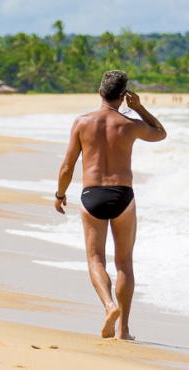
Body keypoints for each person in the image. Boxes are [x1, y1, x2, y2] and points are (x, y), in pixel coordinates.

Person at [54, 70, 167, 339]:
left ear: (99, 92)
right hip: (122, 195)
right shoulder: (129, 124)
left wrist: (59, 195)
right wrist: (139, 108)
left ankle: (108, 306)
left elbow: (68, 165)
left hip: (92, 195)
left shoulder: (82, 122)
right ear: (123, 95)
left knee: (95, 259)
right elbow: (160, 133)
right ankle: (123, 330)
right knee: (124, 263)